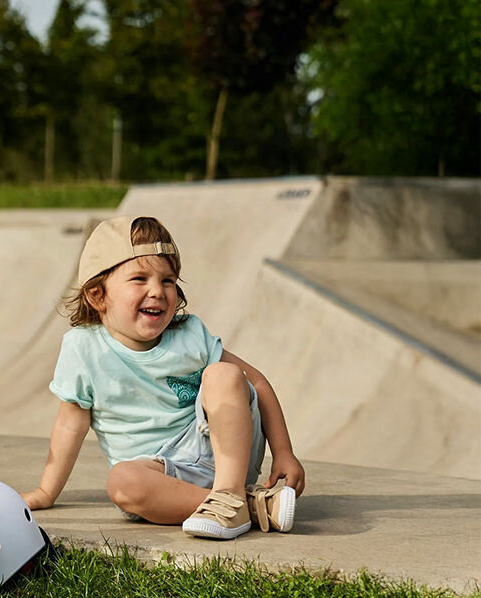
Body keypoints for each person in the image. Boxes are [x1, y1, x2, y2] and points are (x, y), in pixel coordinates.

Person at [21, 216, 305, 539]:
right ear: (97, 295)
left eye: (168, 280)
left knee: (224, 374)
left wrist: (283, 451)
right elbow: (70, 425)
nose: (157, 291)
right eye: (140, 278)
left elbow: (259, 384)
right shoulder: (83, 350)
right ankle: (248, 506)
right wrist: (46, 491)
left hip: (224, 454)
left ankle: (229, 492)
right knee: (121, 482)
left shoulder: (190, 336)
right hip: (156, 475)